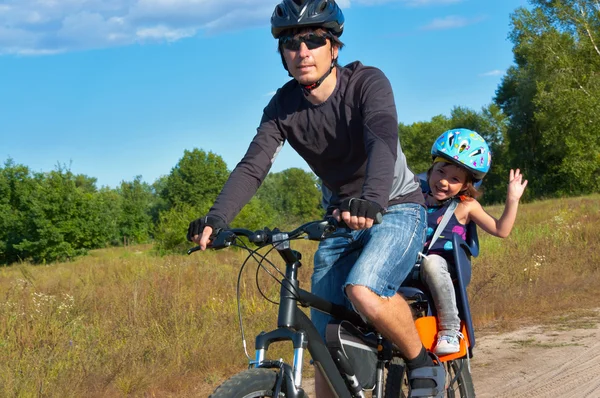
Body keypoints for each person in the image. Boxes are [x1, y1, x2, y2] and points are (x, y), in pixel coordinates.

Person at [187, 0, 444, 396]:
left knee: (365, 291)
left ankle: (422, 365)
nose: (302, 50)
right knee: (324, 344)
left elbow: (381, 140)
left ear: (334, 48)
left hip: (396, 207)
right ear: (283, 56)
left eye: (313, 39)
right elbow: (253, 165)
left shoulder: (367, 83)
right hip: (341, 219)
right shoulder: (282, 108)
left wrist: (372, 200)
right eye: (291, 43)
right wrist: (215, 218)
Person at [420, 128, 528, 355]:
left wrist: (512, 199)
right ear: (430, 172)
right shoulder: (415, 199)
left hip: (447, 267)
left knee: (432, 262)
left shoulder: (466, 206)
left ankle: (450, 329)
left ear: (466, 185)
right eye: (440, 172)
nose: (444, 182)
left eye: (455, 179)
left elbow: (501, 230)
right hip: (412, 262)